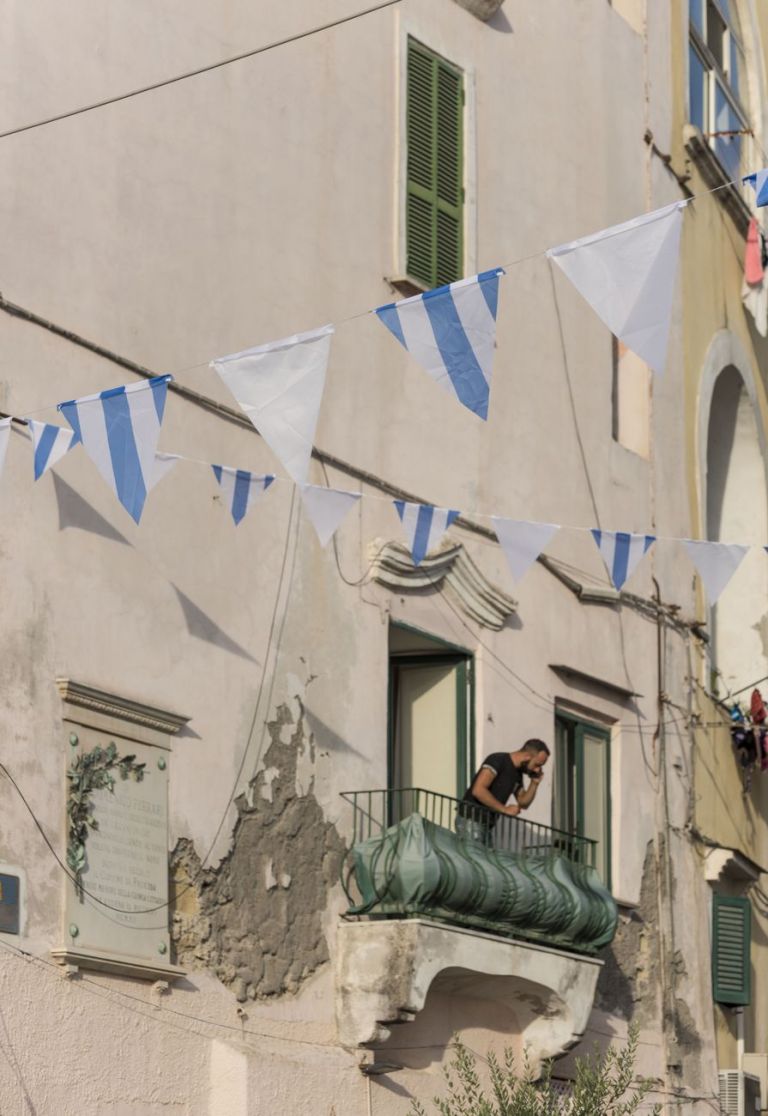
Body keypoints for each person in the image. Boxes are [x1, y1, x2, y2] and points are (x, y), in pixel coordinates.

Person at [457, 739, 550, 846]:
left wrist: (534, 783)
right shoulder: (498, 760)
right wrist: (504, 809)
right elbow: (478, 790)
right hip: (471, 820)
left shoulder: (517, 774)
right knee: (475, 860)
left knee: (483, 861)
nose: (537, 770)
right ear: (527, 756)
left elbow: (523, 802)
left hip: (486, 826)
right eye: (537, 764)